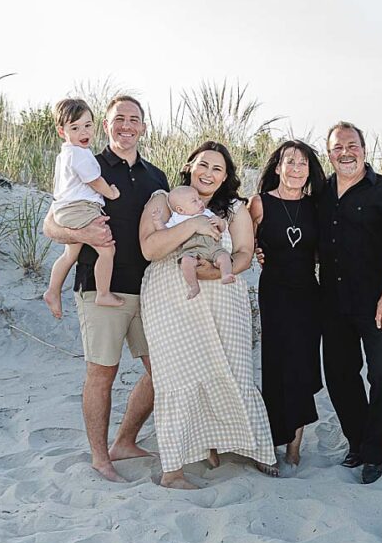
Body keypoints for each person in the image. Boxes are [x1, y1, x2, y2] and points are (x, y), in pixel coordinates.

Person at [42, 95, 169, 483]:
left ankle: (125, 441)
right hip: (100, 286)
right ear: (107, 125)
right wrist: (81, 233)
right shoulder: (86, 163)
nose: (126, 126)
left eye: (134, 119)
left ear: (144, 127)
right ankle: (100, 457)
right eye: (119, 119)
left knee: (161, 370)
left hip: (148, 288)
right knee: (103, 373)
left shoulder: (157, 177)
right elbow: (51, 224)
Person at [139, 141, 277, 489]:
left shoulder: (233, 209)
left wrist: (215, 273)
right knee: (177, 375)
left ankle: (252, 447)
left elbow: (244, 252)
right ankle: (173, 471)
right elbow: (150, 248)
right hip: (172, 298)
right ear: (190, 166)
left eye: (218, 168)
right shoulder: (164, 199)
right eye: (203, 165)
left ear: (227, 176)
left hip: (223, 297)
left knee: (233, 370)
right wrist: (194, 224)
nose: (209, 173)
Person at [318, 122, 382, 484]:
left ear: (364, 148)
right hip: (332, 303)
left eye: (352, 145)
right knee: (340, 378)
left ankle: (375, 454)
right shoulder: (321, 192)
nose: (346, 152)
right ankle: (357, 442)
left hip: (378, 301)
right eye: (337, 147)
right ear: (329, 154)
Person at [248, 140, 327, 467]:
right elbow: (243, 243)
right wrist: (256, 251)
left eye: (303, 164)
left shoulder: (317, 206)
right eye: (290, 162)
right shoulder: (259, 203)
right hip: (275, 294)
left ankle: (294, 448)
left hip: (309, 294)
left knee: (301, 368)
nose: (296, 169)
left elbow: (325, 252)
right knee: (277, 366)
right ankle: (273, 443)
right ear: (277, 166)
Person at [43, 98, 123, 318]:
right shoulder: (78, 154)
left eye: (87, 125)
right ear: (62, 131)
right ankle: (103, 293)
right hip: (80, 209)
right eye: (75, 128)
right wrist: (111, 193)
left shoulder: (66, 154)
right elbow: (94, 180)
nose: (83, 132)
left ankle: (52, 290)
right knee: (107, 250)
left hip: (66, 208)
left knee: (70, 254)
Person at [154, 185, 234, 299]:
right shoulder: (176, 219)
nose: (200, 203)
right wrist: (157, 221)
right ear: (181, 209)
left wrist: (219, 222)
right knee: (186, 262)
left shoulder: (207, 212)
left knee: (224, 256)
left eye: (199, 199)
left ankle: (226, 274)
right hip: (191, 249)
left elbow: (222, 227)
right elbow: (165, 232)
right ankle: (193, 286)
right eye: (194, 201)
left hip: (213, 246)